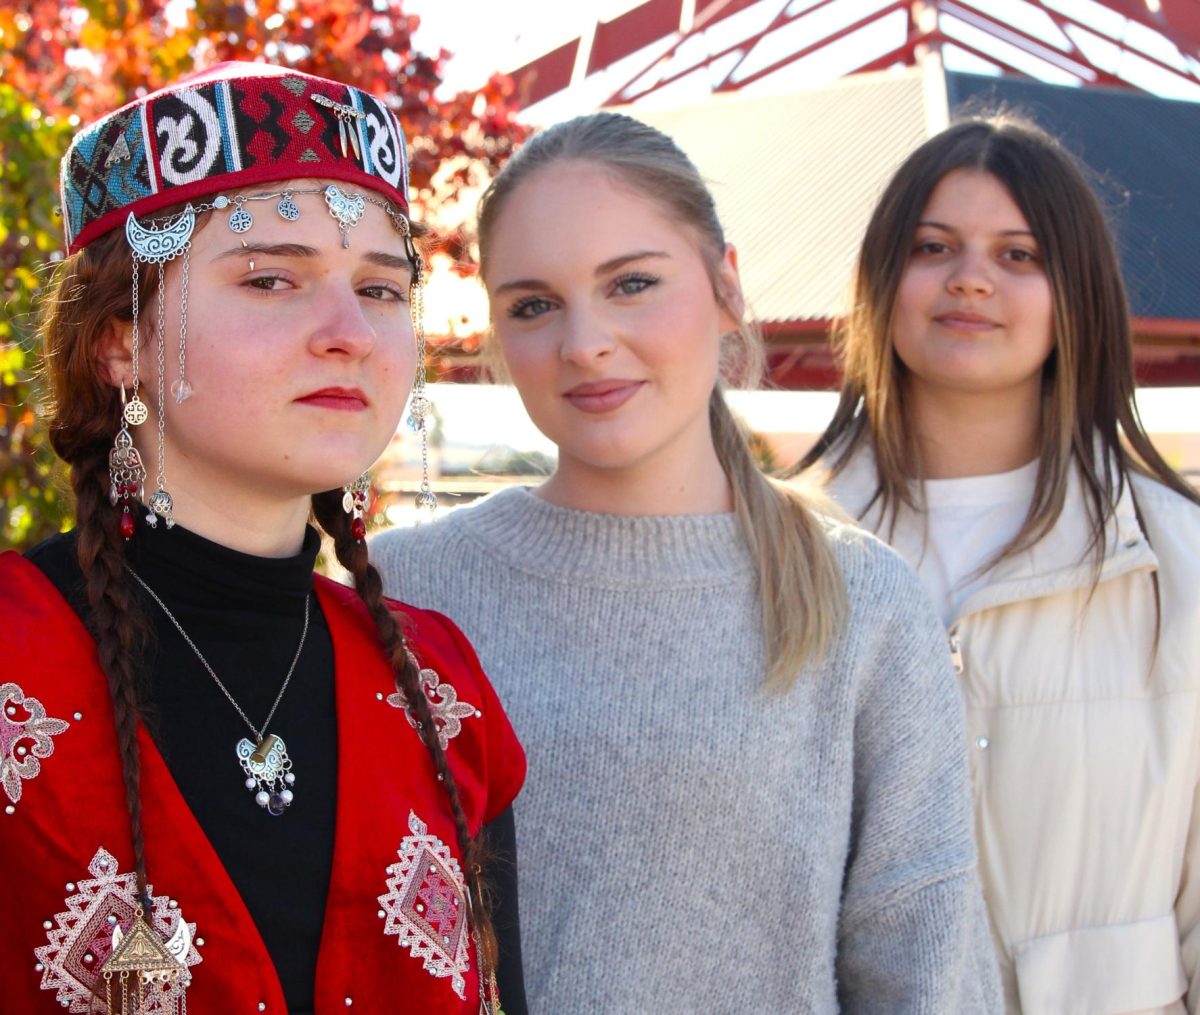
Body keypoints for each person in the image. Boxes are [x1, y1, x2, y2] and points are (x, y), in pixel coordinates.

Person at [372, 111, 1002, 1012]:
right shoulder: (404, 590)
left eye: (630, 283)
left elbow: (925, 966)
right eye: (534, 304)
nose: (583, 341)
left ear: (726, 284)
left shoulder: (863, 601)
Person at [1, 63, 526, 1015]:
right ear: (121, 339)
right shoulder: (12, 652)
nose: (349, 333)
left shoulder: (443, 692)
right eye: (272, 278)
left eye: (380, 288)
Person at [797, 113, 1200, 1012]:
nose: (970, 277)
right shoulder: (779, 553)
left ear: (1076, 296)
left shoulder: (1178, 563)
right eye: (934, 246)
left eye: (1019, 255)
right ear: (883, 282)